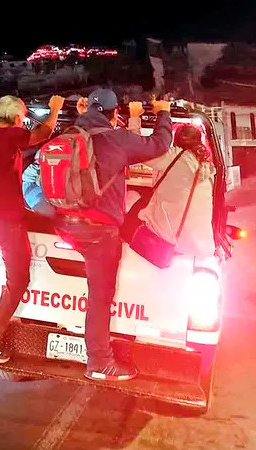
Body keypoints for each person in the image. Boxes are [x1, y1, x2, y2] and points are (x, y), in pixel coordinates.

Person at [55, 89, 173, 381]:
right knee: (100, 296)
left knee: (92, 284)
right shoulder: (116, 138)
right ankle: (100, 362)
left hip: (66, 223)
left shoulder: (70, 133)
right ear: (114, 113)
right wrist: (163, 113)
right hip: (98, 231)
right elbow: (160, 144)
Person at [0, 94, 65, 364]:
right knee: (18, 280)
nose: (23, 123)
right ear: (15, 118)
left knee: (14, 276)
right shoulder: (9, 136)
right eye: (22, 118)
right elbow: (42, 133)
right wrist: (55, 109)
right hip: (6, 221)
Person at [137, 124, 216, 256]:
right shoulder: (208, 166)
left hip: (167, 241)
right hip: (202, 247)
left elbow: (138, 150)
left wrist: (135, 120)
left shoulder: (173, 157)